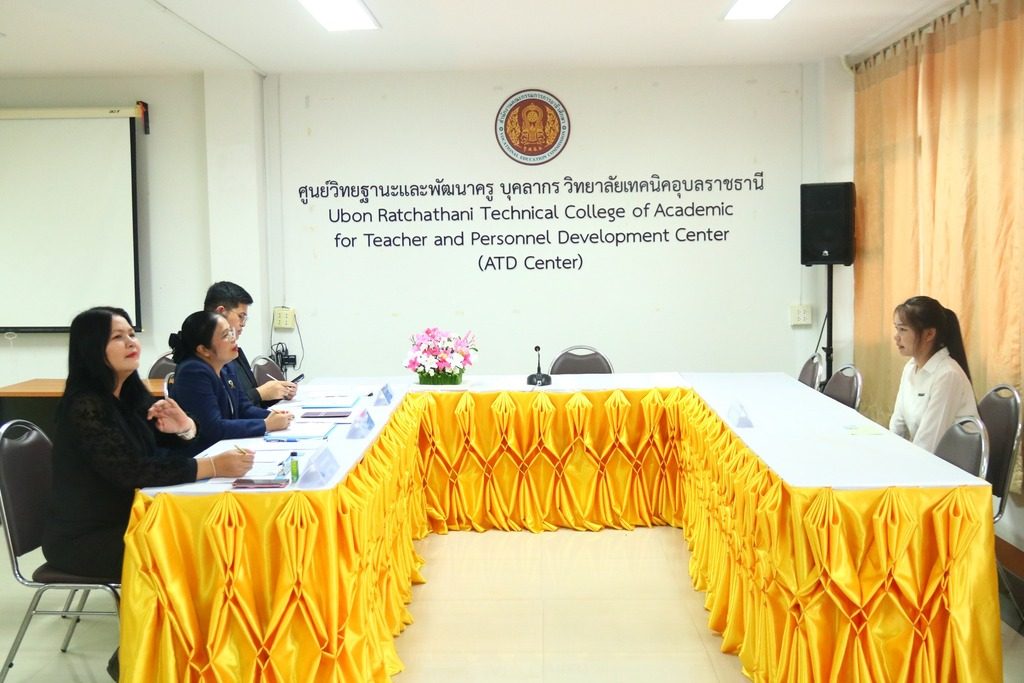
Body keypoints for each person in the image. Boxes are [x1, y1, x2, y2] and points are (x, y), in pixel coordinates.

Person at [42, 307, 255, 579]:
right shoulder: (84, 406)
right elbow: (133, 472)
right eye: (117, 337)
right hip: (90, 536)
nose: (131, 342)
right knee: (208, 548)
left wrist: (185, 428)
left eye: (132, 334)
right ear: (92, 348)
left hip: (138, 516)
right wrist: (212, 466)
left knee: (225, 530)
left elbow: (162, 449)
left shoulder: (130, 394)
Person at [169, 310, 292, 456]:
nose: (233, 339)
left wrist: (273, 416)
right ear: (204, 350)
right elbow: (212, 428)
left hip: (227, 446)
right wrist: (266, 424)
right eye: (225, 335)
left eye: (231, 332)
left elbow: (243, 408)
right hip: (203, 455)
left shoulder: (226, 365)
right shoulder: (192, 372)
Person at [889, 295, 979, 453]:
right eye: (897, 328)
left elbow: (927, 443)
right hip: (926, 458)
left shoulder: (947, 375)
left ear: (929, 334)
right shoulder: (910, 367)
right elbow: (898, 425)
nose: (896, 337)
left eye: (903, 329)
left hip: (950, 463)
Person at [204, 281, 296, 407]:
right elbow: (227, 407)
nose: (243, 324)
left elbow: (251, 402)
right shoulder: (203, 359)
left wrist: (279, 393)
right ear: (221, 312)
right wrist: (260, 393)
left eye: (245, 318)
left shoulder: (235, 353)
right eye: (241, 316)